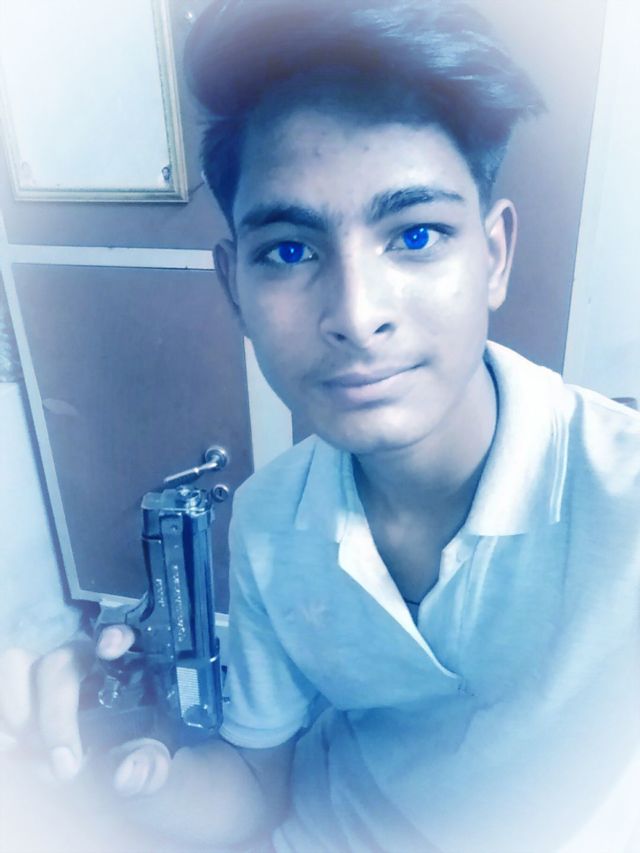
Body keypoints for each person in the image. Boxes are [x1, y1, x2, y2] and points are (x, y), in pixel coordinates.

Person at [2, 0, 640, 850]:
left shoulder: (620, 500)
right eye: (291, 251)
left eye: (416, 234)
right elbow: (251, 786)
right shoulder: (271, 518)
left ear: (494, 255)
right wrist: (107, 767)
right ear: (234, 287)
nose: (357, 314)